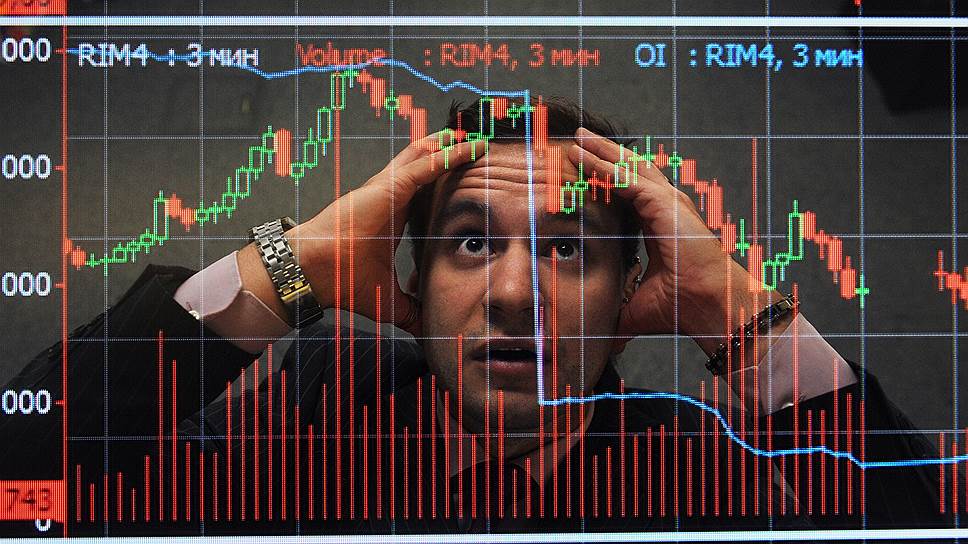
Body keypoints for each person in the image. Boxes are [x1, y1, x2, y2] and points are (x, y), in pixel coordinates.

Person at [0, 97, 951, 536]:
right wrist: (299, 266)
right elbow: (22, 480)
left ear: (629, 293)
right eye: (468, 244)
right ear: (412, 282)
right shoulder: (303, 408)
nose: (512, 295)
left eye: (567, 250)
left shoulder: (698, 469)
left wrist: (733, 308)